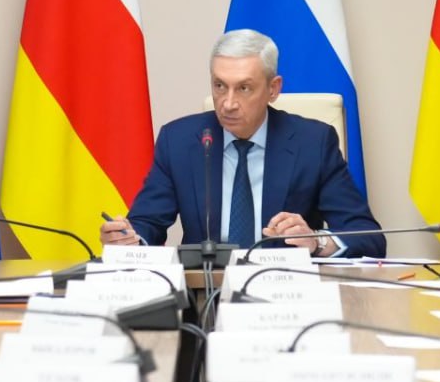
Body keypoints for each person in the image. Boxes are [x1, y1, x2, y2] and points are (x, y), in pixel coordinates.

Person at [100, 29, 384, 257]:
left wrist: (316, 242)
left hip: (286, 293)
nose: (228, 103)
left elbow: (367, 237)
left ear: (273, 89)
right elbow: (147, 224)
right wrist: (127, 240)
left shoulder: (313, 143)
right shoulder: (179, 141)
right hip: (205, 295)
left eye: (244, 88)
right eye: (219, 86)